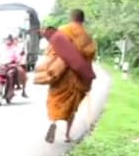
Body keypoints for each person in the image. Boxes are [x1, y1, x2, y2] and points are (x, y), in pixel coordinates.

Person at [41, 9, 97, 143]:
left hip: (60, 73)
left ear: (71, 18)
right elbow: (89, 56)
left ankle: (53, 122)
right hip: (76, 76)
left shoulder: (62, 30)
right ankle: (66, 135)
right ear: (82, 19)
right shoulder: (86, 36)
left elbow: (50, 51)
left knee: (55, 99)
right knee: (72, 105)